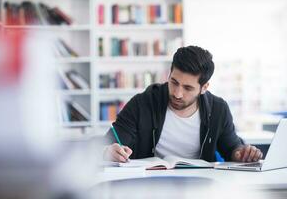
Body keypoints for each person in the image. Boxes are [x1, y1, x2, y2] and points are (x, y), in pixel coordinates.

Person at [103, 45, 263, 163]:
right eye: (174, 82)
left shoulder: (218, 109)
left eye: (188, 88)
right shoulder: (143, 103)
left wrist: (239, 153)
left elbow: (231, 147)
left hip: (200, 186)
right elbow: (109, 142)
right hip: (149, 184)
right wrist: (108, 151)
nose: (177, 93)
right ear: (170, 73)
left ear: (204, 87)